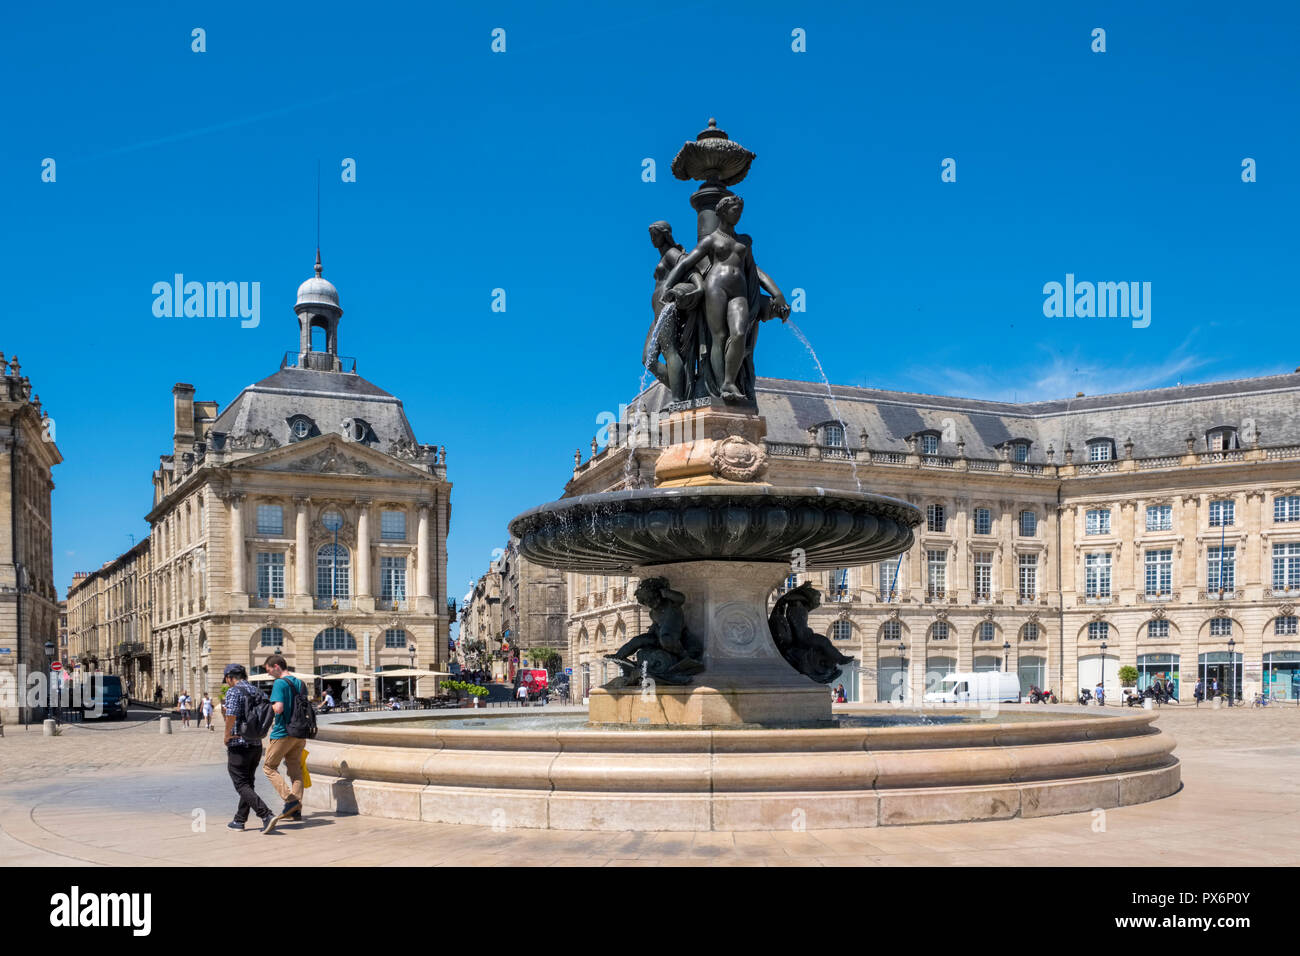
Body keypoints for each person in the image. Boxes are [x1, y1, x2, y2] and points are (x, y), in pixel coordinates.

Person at [221, 664, 275, 833]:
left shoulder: (234, 691)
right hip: (256, 744)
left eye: (227, 680)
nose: (227, 683)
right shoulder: (257, 691)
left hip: (239, 743)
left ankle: (266, 814)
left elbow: (232, 715)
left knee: (240, 783)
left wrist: (227, 735)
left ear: (230, 677)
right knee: (248, 782)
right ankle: (239, 820)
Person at [260, 655, 306, 826]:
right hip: (300, 733)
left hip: (283, 732)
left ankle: (290, 799)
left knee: (269, 767)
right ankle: (297, 809)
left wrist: (266, 707)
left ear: (276, 666)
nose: (269, 674)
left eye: (269, 670)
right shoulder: (300, 682)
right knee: (295, 770)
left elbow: (278, 708)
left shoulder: (279, 683)